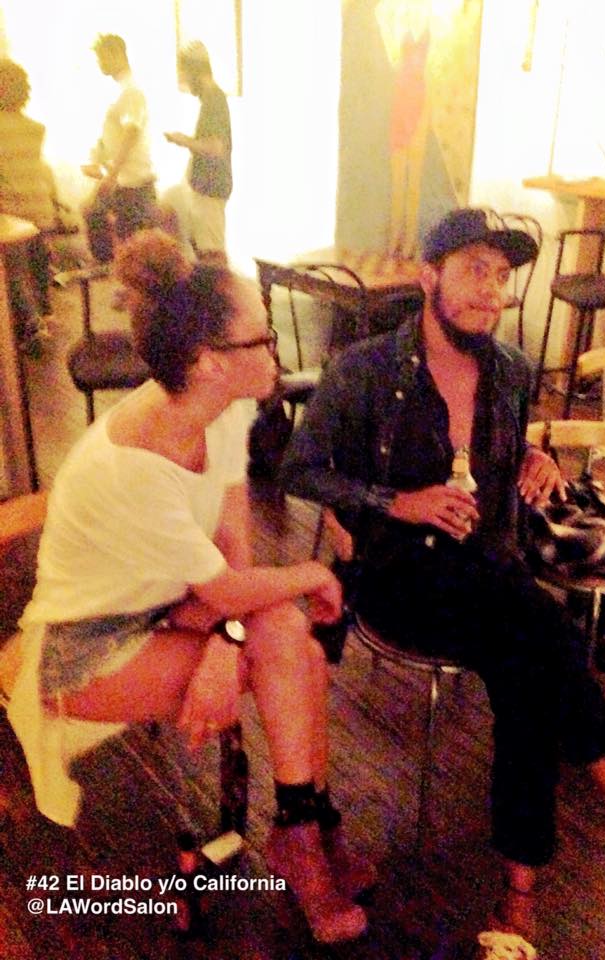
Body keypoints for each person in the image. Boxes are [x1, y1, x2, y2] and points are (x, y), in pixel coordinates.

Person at [280, 207, 605, 957]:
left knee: (527, 662)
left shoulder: (511, 369)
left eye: (503, 274)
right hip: (397, 577)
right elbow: (300, 468)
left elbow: (504, 454)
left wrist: (533, 461)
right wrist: (395, 500)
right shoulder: (365, 370)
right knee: (535, 627)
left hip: (490, 575)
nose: (492, 289)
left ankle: (520, 896)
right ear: (430, 276)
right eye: (474, 270)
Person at [6, 228, 371, 945]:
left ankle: (304, 828)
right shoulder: (134, 464)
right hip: (85, 646)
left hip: (170, 604)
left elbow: (233, 558)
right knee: (291, 646)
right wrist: (314, 572)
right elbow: (232, 587)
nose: (276, 350)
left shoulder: (222, 406)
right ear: (208, 361)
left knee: (284, 633)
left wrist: (226, 638)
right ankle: (307, 834)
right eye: (263, 337)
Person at [82, 35, 157, 263]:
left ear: (118, 54)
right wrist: (97, 159)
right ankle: (107, 267)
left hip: (133, 182)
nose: (100, 64)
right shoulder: (120, 90)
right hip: (122, 180)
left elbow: (131, 132)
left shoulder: (131, 91)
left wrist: (112, 174)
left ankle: (110, 268)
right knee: (93, 213)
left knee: (133, 247)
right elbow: (112, 135)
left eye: (102, 58)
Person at [0, 58, 58, 339]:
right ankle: (45, 313)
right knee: (38, 266)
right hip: (40, 204)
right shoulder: (36, 128)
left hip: (13, 209)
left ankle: (33, 327)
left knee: (16, 273)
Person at [163, 41, 232, 263]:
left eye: (184, 75)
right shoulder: (211, 100)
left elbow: (215, 147)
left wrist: (183, 140)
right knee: (203, 251)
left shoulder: (214, 99)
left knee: (212, 256)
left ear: (195, 72)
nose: (183, 82)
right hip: (203, 186)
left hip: (210, 188)